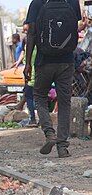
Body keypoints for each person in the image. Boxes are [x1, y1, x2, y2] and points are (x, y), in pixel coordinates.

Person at [24, 0, 84, 158]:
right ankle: (62, 147)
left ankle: (49, 133)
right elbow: (72, 28)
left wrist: (28, 63)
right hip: (66, 61)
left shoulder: (37, 3)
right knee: (65, 102)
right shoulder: (72, 1)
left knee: (39, 96)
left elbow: (31, 33)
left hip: (44, 61)